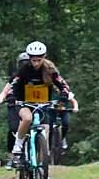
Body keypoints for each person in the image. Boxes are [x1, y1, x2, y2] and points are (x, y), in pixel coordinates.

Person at [8, 41, 70, 169]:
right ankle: (18, 147)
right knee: (27, 118)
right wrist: (12, 96)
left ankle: (43, 168)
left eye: (39, 60)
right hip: (24, 102)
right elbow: (14, 83)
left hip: (43, 104)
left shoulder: (50, 69)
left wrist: (64, 95)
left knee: (46, 131)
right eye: (33, 60)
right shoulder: (24, 69)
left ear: (44, 57)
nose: (36, 63)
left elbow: (62, 84)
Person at [0, 52, 30, 166]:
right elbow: (5, 90)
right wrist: (0, 99)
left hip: (31, 104)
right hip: (14, 104)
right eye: (22, 63)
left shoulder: (37, 76)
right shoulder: (16, 76)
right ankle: (12, 155)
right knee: (13, 129)